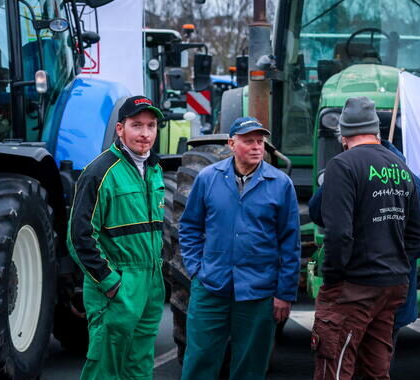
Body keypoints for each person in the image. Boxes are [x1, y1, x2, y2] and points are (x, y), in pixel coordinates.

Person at [310, 96, 420, 380]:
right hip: (393, 284)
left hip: (355, 285)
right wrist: (395, 263)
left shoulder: (342, 165)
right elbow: (417, 234)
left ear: (343, 135)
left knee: (334, 364)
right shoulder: (400, 167)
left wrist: (334, 279)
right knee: (375, 369)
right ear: (375, 131)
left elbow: (338, 233)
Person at [179, 117, 301, 380]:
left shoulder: (280, 184)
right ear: (231, 143)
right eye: (248, 141)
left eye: (260, 141)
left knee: (250, 365)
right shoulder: (208, 179)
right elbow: (189, 227)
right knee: (199, 359)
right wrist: (195, 270)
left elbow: (290, 243)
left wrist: (284, 293)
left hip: (258, 290)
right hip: (212, 286)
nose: (257, 147)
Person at [309, 140, 420, 357]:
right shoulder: (404, 173)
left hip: (355, 291)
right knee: (376, 367)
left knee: (344, 363)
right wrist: (396, 258)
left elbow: (318, 213)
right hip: (390, 292)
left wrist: (388, 255)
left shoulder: (349, 167)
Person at [66, 95, 166, 380]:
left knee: (140, 365)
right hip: (118, 282)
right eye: (137, 125)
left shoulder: (154, 170)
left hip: (150, 282)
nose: (145, 134)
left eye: (151, 126)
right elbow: (79, 237)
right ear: (120, 129)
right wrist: (110, 282)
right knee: (105, 368)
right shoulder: (99, 172)